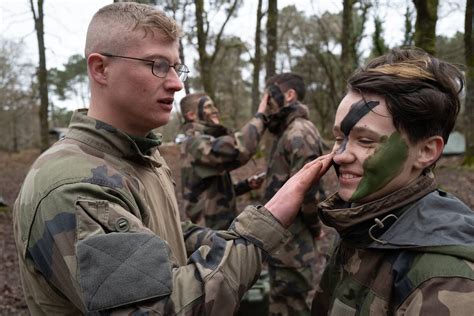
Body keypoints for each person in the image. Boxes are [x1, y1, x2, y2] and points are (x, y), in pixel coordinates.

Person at [12, 3, 335, 315]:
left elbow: (160, 234)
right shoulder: (76, 186)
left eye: (176, 67)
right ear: (101, 68)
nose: (177, 83)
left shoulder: (138, 155)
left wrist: (223, 240)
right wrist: (261, 229)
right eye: (157, 65)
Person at [311, 47, 474, 315]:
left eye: (365, 141)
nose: (339, 156)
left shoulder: (448, 280)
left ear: (426, 151)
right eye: (339, 137)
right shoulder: (360, 219)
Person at [263, 73, 327, 315]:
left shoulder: (299, 132)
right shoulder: (286, 131)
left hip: (294, 245)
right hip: (281, 241)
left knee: (291, 305)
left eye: (270, 94)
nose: (267, 101)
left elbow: (309, 191)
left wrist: (316, 228)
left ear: (289, 95)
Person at [179, 92, 266, 230]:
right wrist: (261, 117)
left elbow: (213, 189)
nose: (215, 110)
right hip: (208, 235)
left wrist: (246, 185)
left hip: (220, 229)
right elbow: (237, 149)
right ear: (191, 115)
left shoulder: (205, 140)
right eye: (208, 106)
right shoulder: (194, 143)